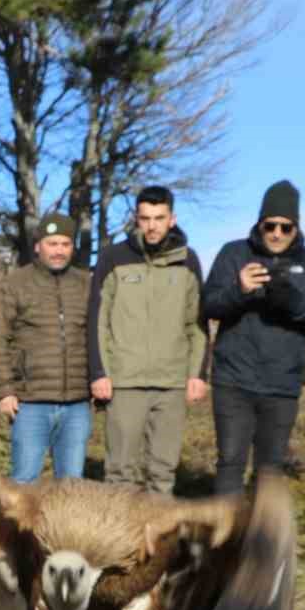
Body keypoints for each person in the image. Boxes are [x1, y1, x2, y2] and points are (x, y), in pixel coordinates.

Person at [201, 180, 305, 495]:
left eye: (285, 227)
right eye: (269, 225)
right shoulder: (234, 253)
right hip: (233, 381)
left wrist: (289, 297)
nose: (276, 233)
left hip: (282, 385)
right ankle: (227, 541)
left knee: (270, 470)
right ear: (259, 224)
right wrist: (240, 289)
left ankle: (261, 539)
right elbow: (209, 305)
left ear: (295, 228)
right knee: (230, 462)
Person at [86, 186, 209, 494]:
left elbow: (197, 323)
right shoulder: (113, 257)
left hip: (172, 383)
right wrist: (99, 372)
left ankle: (158, 541)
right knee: (119, 472)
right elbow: (97, 319)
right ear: (136, 219)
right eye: (145, 218)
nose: (152, 225)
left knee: (163, 473)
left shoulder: (188, 261)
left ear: (172, 218)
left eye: (159, 218)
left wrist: (197, 374)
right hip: (125, 382)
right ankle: (117, 541)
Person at [0, 213, 93, 483]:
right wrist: (4, 390)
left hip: (77, 404)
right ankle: (21, 529)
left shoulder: (87, 284)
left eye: (65, 244)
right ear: (38, 246)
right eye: (52, 243)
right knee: (24, 483)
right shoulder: (14, 283)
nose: (58, 251)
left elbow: (99, 335)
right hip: (29, 403)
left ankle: (63, 528)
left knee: (71, 486)